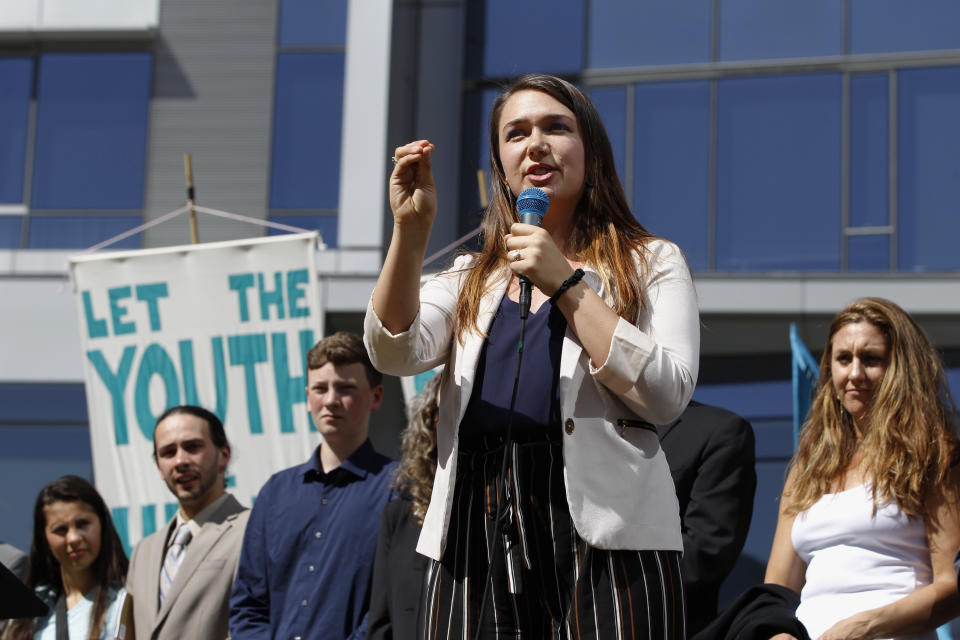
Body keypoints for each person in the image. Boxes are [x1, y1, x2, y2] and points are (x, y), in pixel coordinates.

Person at [364, 74, 700, 638]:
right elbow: (393, 350)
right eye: (515, 133)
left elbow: (667, 394)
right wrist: (411, 233)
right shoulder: (474, 277)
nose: (535, 144)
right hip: (474, 528)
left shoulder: (650, 262)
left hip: (603, 541)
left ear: (590, 153)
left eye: (556, 127)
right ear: (501, 164)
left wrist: (566, 285)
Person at [764, 297, 960, 639]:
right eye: (843, 359)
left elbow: (952, 587)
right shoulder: (807, 468)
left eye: (871, 359)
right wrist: (778, 633)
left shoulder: (934, 453)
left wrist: (862, 626)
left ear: (901, 368)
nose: (854, 373)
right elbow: (776, 592)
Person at [230, 332, 397, 640]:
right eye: (320, 388)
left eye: (346, 388)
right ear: (308, 398)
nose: (331, 400)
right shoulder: (275, 493)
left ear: (376, 397)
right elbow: (247, 604)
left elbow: (392, 604)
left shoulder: (398, 488)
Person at [125, 405, 249, 640]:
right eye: (168, 452)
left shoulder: (253, 530)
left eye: (192, 447)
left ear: (224, 454)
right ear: (159, 467)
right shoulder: (143, 552)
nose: (180, 461)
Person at [658, 401, 757, 634]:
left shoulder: (719, 430)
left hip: (666, 625)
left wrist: (616, 591)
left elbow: (706, 551)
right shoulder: (576, 430)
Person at [1, 476, 128, 640]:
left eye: (83, 524)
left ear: (102, 524)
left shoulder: (126, 599)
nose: (73, 538)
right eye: (60, 529)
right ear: (44, 538)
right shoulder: (27, 611)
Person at [368, 373, 442, 640]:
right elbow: (381, 620)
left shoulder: (499, 508)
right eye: (442, 414)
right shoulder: (399, 513)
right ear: (427, 425)